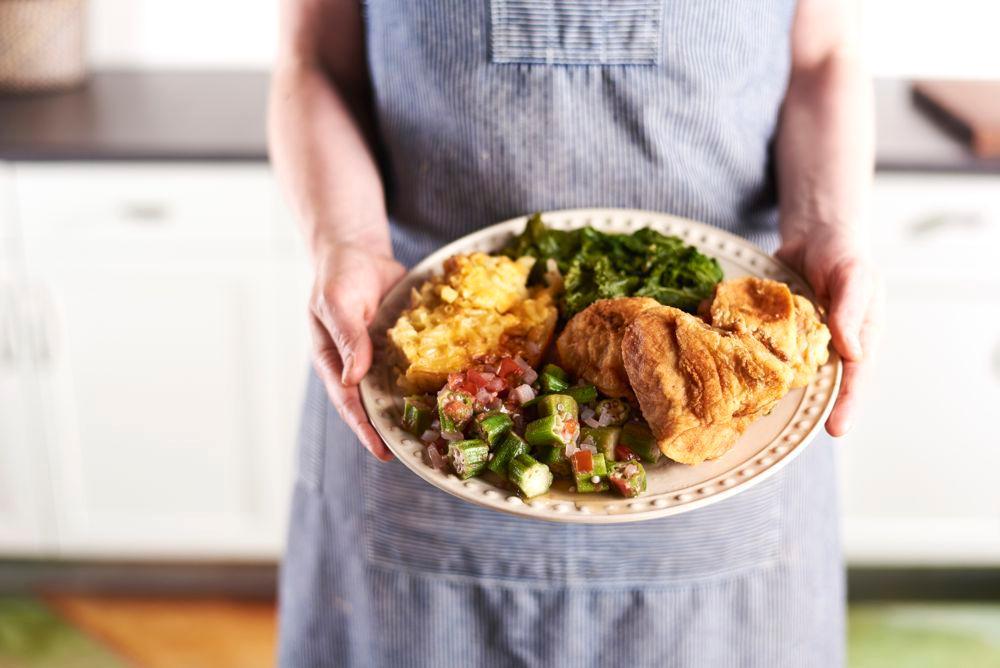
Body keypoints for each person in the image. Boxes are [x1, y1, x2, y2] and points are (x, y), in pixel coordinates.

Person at [268, 0, 883, 666]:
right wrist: (347, 239)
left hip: (738, 450)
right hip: (416, 389)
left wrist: (828, 227)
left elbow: (823, 59)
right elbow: (316, 63)